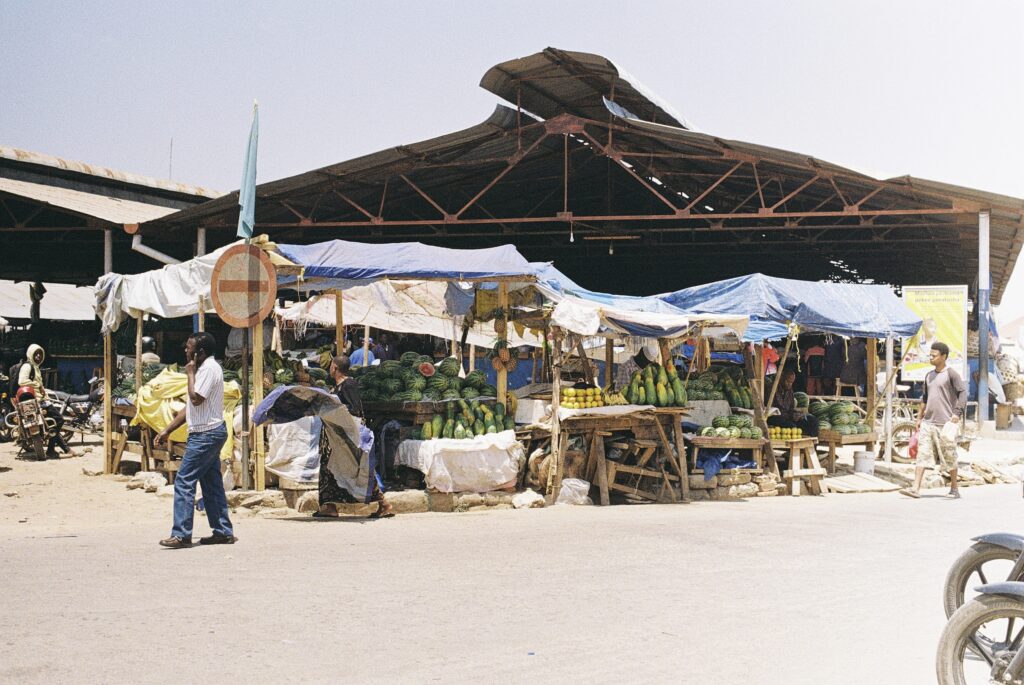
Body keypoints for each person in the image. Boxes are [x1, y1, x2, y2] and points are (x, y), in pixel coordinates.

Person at [154, 332, 235, 548]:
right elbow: (189, 408)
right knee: (211, 483)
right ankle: (223, 531)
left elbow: (195, 399)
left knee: (184, 480)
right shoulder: (205, 369)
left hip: (206, 434)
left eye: (189, 348)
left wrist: (190, 373)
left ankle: (181, 534)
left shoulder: (208, 369)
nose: (185, 351)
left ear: (200, 352)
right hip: (206, 432)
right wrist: (167, 430)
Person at [315, 355, 393, 519]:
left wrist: (334, 409)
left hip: (345, 438)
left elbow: (355, 409)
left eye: (331, 366)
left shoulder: (349, 385)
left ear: (335, 368)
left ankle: (384, 504)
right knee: (328, 469)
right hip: (334, 439)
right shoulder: (337, 386)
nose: (329, 368)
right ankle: (329, 506)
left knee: (356, 470)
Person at [901, 342, 967, 499]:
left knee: (949, 456)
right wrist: (919, 417)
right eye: (930, 355)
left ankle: (954, 488)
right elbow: (924, 398)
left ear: (944, 357)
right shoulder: (928, 376)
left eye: (934, 355)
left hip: (945, 425)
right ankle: (915, 488)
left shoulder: (951, 374)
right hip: (928, 423)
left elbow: (962, 394)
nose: (931, 357)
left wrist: (957, 413)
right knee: (922, 455)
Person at [17, 344, 70, 458]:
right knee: (59, 420)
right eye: (36, 354)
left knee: (53, 423)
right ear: (30, 354)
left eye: (40, 354)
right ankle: (52, 450)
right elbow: (22, 381)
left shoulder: (36, 367)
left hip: (40, 399)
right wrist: (38, 385)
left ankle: (64, 449)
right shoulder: (27, 366)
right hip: (36, 401)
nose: (38, 356)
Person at [767, 368, 819, 437]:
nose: (789, 384)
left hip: (788, 417)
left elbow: (791, 408)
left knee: (813, 421)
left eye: (791, 382)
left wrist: (798, 415)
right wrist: (790, 416)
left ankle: (812, 444)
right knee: (792, 426)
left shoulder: (789, 391)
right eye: (788, 382)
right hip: (775, 417)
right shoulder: (772, 388)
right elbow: (771, 411)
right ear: (782, 379)